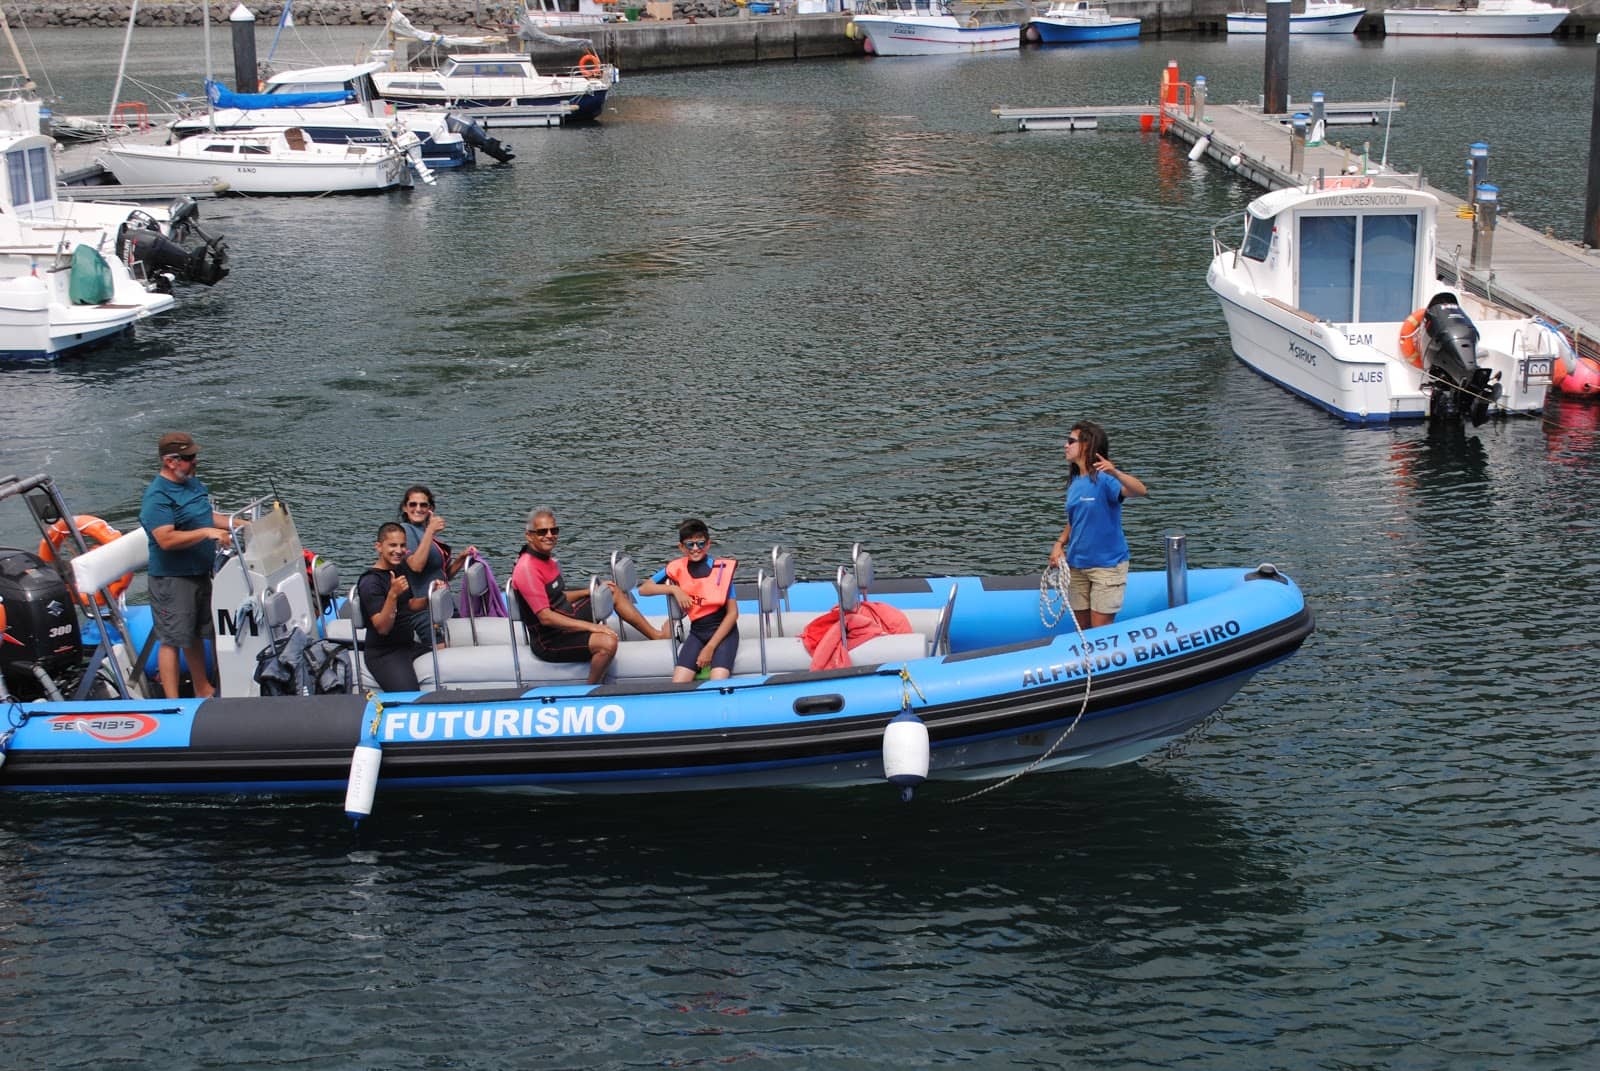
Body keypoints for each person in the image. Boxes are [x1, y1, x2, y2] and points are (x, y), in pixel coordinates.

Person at [510, 507, 669, 684]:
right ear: (529, 536)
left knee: (610, 592)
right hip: (550, 639)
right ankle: (592, 688)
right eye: (542, 532)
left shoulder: (546, 559)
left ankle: (655, 635)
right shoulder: (527, 569)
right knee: (607, 643)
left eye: (554, 530)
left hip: (566, 617)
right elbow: (546, 617)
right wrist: (592, 627)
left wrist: (588, 591)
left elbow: (557, 597)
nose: (549, 535)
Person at [140, 431, 238, 700]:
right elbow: (165, 539)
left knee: (197, 632)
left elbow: (206, 516)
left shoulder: (192, 484)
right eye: (188, 457)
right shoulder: (157, 497)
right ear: (170, 461)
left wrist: (239, 524)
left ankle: (202, 687)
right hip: (173, 579)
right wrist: (206, 533)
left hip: (200, 573)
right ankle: (172, 703)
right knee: (172, 639)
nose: (195, 461)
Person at [1047, 420, 1148, 630]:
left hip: (1106, 567)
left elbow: (1140, 491)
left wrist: (1116, 473)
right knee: (1082, 630)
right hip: (1077, 565)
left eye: (1071, 441)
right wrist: (1059, 544)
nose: (1065, 445)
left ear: (1086, 445)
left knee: (1100, 631)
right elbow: (1076, 519)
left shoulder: (1105, 480)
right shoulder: (1076, 482)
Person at [638, 518, 740, 683]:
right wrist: (674, 589)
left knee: (718, 681)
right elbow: (644, 589)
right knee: (678, 683)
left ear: (708, 544)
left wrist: (710, 647)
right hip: (697, 632)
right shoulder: (676, 567)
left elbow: (733, 614)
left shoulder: (721, 570)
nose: (695, 549)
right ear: (681, 547)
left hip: (724, 634)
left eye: (700, 543)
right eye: (690, 544)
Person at [356, 522, 432, 692]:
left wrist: (430, 598)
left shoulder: (399, 569)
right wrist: (393, 594)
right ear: (379, 547)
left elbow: (409, 605)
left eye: (402, 545)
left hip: (408, 645)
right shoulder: (370, 582)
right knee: (410, 695)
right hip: (385, 652)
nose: (398, 550)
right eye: (392, 545)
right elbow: (382, 627)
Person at [397, 485, 478, 642]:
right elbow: (416, 566)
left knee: (464, 643)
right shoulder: (405, 530)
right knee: (447, 649)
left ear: (430, 509)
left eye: (423, 505)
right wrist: (430, 531)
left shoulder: (425, 533)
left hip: (443, 603)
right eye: (413, 504)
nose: (418, 509)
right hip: (425, 610)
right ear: (405, 508)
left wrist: (461, 559)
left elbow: (442, 575)